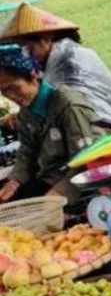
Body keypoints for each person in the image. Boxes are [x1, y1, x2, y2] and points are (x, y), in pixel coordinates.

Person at [0, 4, 111, 125]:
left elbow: (57, 100)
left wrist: (22, 118)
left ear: (45, 39)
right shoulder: (57, 56)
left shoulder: (68, 60)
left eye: (29, 48)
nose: (26, 55)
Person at [0, 46, 97, 202]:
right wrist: (15, 180)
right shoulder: (27, 110)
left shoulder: (68, 105)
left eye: (14, 88)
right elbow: (27, 150)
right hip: (49, 178)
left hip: (78, 183)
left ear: (32, 77)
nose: (11, 96)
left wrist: (57, 195)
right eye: (4, 91)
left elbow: (86, 160)